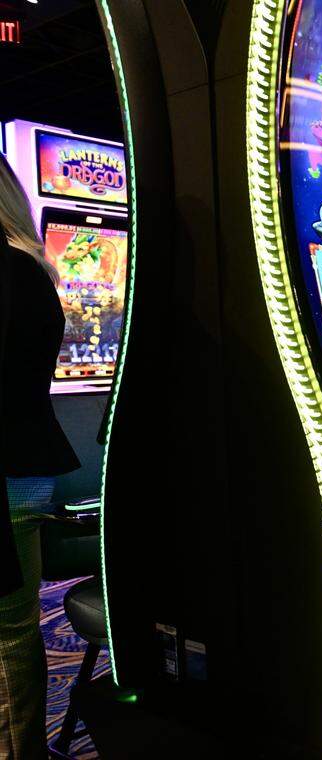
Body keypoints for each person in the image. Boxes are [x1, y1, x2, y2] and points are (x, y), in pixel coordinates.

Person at [0, 153, 80, 759]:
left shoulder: (9, 271)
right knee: (15, 625)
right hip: (23, 466)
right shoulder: (30, 268)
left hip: (5, 468)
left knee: (9, 631)